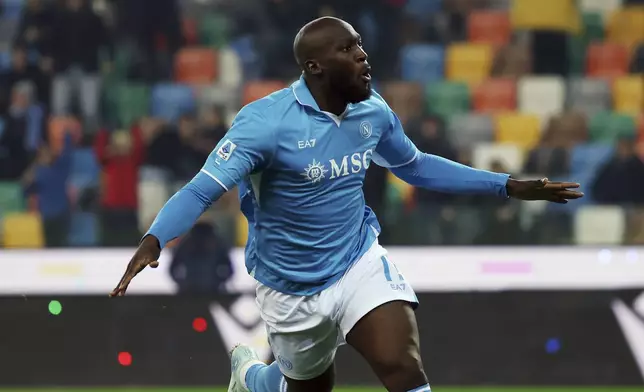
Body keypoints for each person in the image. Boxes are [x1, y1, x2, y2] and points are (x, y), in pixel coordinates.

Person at [110, 17, 583, 392]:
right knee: (306, 386)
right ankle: (254, 379)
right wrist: (155, 238)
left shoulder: (372, 111)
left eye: (360, 45)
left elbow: (414, 166)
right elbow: (200, 190)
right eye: (348, 50)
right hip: (289, 284)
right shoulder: (264, 125)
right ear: (314, 67)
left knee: (401, 366)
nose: (363, 56)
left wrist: (506, 185)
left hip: (357, 260)